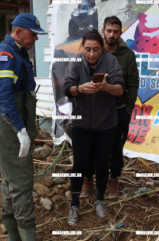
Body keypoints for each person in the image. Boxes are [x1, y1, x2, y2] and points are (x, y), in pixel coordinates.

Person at [0, 13, 57, 241]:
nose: (36, 38)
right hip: (7, 122)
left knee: (10, 177)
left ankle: (13, 233)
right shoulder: (4, 53)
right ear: (18, 32)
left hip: (10, 119)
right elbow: (4, 97)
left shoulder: (16, 50)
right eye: (32, 33)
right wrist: (20, 130)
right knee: (22, 180)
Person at [62, 29, 124, 225]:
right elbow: (67, 88)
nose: (91, 54)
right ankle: (74, 205)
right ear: (83, 47)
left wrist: (105, 86)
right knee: (79, 164)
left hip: (106, 124)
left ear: (102, 48)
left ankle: (100, 199)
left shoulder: (110, 61)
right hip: (81, 123)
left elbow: (120, 88)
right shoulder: (76, 62)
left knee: (102, 163)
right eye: (87, 49)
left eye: (96, 49)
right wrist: (80, 89)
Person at [80, 16, 139, 198]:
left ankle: (113, 180)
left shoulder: (127, 55)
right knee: (89, 148)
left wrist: (128, 110)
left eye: (115, 31)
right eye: (109, 30)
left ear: (120, 32)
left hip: (118, 110)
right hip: (94, 111)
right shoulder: (94, 52)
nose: (112, 34)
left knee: (115, 149)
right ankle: (87, 180)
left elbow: (133, 84)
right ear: (103, 31)